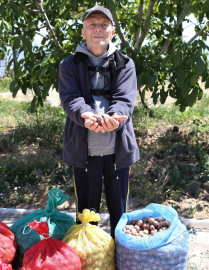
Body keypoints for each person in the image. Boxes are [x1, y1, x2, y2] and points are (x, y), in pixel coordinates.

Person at [59, 5, 139, 238]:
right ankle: (88, 257)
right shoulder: (68, 65)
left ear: (112, 32)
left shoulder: (125, 63)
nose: (98, 29)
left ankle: (120, 258)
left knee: (120, 215)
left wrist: (115, 118)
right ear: (82, 32)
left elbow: (125, 99)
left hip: (118, 152)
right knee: (86, 215)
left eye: (104, 25)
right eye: (92, 24)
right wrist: (85, 116)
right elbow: (71, 100)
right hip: (84, 153)